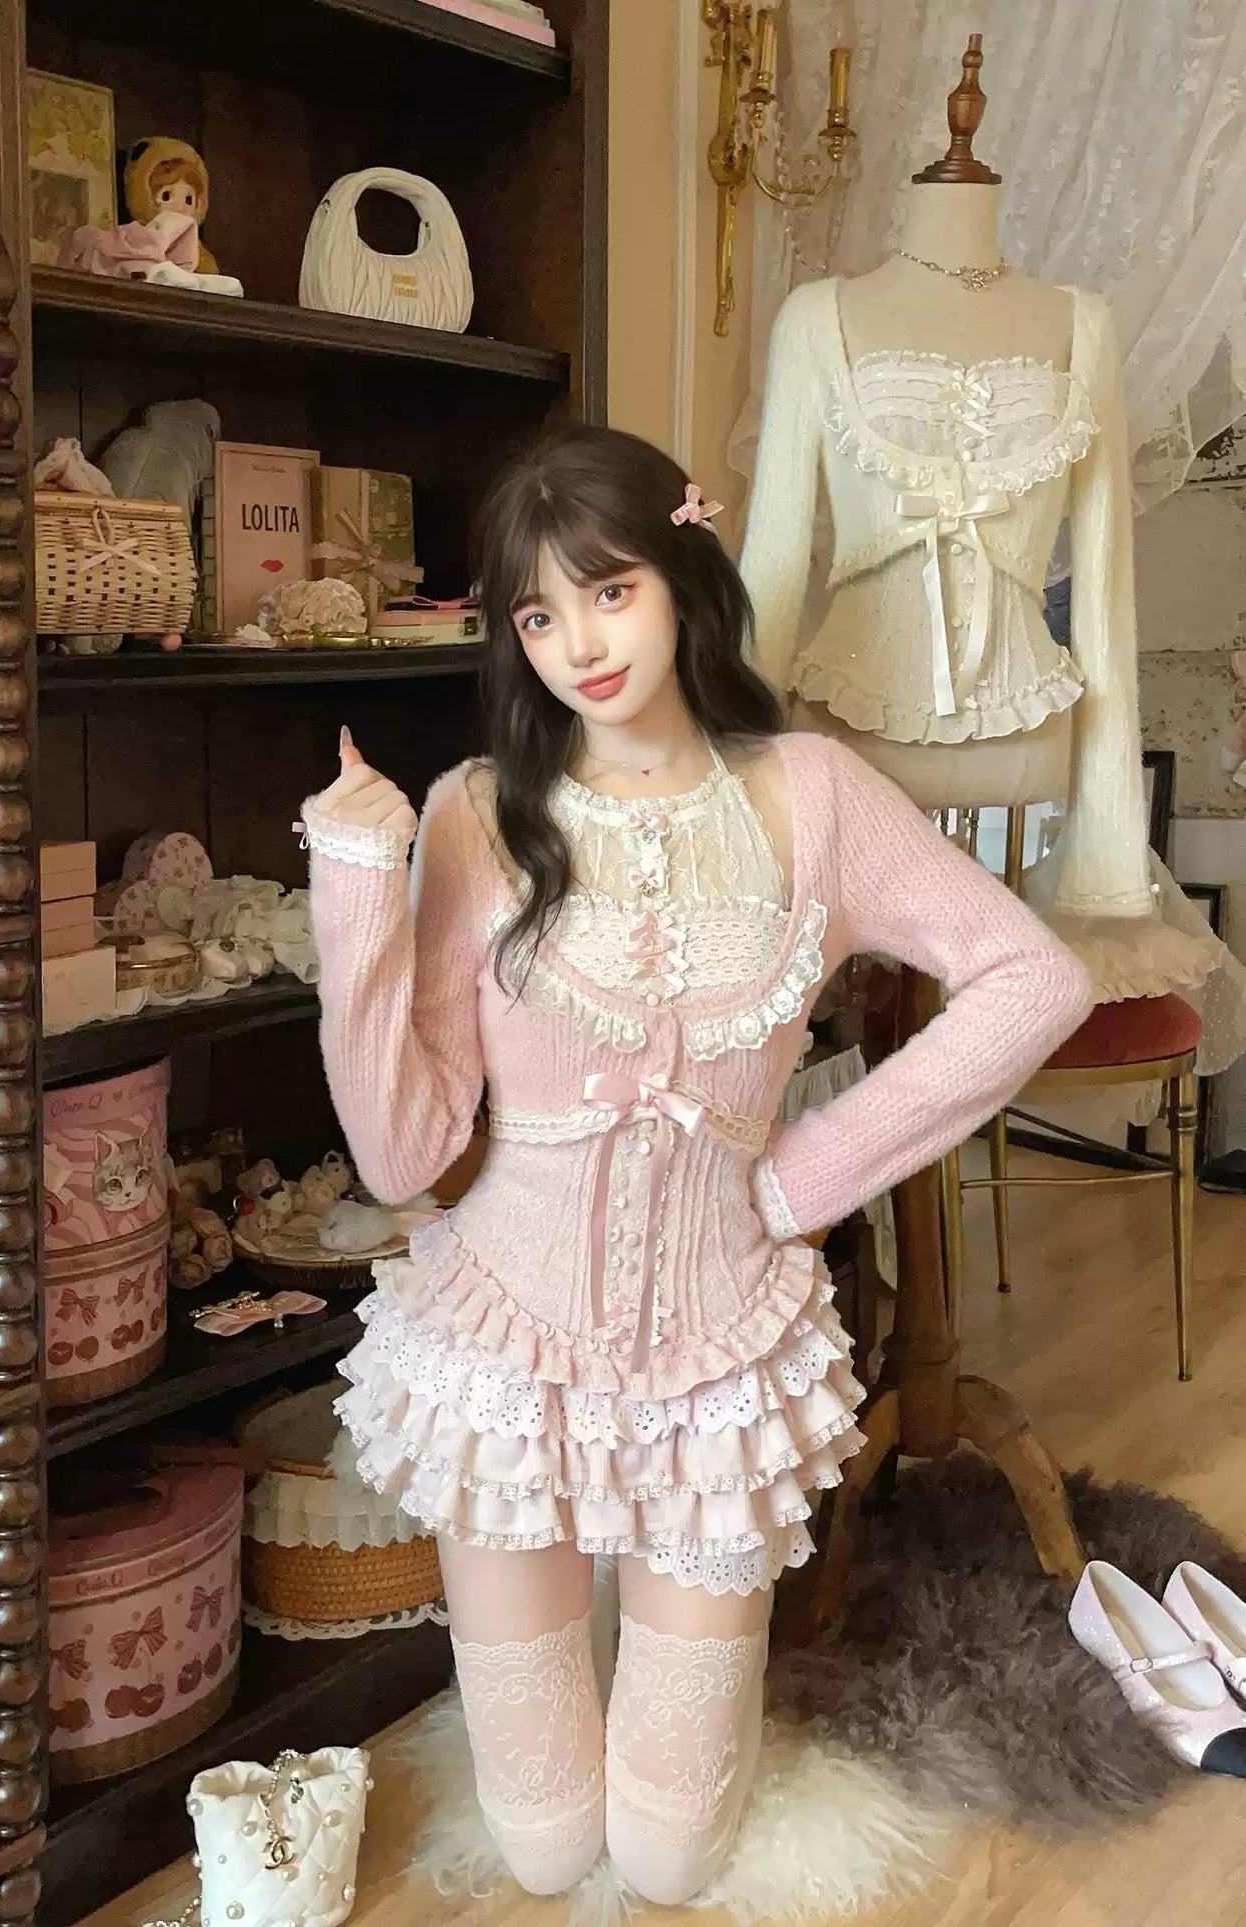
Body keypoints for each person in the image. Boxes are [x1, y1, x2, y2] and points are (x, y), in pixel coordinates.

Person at [300, 424, 1091, 1902]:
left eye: (609, 592)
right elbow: (404, 1153)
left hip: (724, 1353)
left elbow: (1033, 979)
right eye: (538, 615)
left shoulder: (813, 795)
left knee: (671, 1853)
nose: (580, 647)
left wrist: (804, 1174)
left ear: (682, 576)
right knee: (544, 1843)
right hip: (505, 1356)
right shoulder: (478, 811)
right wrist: (354, 889)